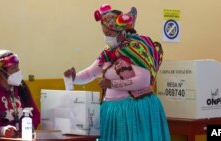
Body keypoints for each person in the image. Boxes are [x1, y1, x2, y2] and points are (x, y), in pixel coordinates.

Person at [64, 4, 170, 141]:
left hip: (133, 111)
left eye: (109, 34)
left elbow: (143, 80)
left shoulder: (135, 49)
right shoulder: (108, 53)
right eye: (104, 34)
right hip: (111, 110)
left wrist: (112, 84)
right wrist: (74, 77)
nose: (106, 38)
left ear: (121, 32)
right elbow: (91, 73)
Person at [0, 50, 40, 138]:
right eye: (13, 68)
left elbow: (35, 114)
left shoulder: (21, 86)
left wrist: (29, 127)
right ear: (0, 71)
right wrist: (0, 131)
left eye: (17, 67)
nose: (18, 71)